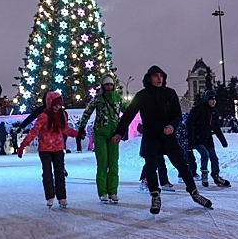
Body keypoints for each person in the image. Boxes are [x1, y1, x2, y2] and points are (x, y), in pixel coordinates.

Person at [112, 65, 212, 214]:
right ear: (149, 78)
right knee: (151, 166)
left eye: (161, 75)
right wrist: (119, 133)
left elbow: (177, 115)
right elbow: (129, 114)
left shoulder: (170, 94)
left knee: (182, 164)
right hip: (151, 136)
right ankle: (155, 196)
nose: (159, 78)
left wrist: (171, 126)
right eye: (155, 76)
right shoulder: (142, 96)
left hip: (168, 136)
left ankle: (194, 193)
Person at [17, 92, 77, 208]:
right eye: (55, 105)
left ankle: (62, 197)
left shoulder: (61, 115)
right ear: (49, 104)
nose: (57, 107)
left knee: (59, 172)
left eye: (59, 105)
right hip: (45, 149)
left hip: (58, 148)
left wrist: (77, 134)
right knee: (47, 173)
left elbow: (65, 129)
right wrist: (23, 145)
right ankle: (50, 196)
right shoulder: (43, 116)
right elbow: (33, 132)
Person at [78, 74, 124, 203]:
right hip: (100, 134)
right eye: (106, 84)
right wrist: (82, 126)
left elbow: (128, 110)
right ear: (103, 86)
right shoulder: (98, 99)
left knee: (114, 164)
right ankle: (103, 191)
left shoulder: (118, 99)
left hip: (114, 135)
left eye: (111, 84)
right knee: (102, 164)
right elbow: (87, 112)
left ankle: (113, 191)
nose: (109, 87)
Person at [187, 90, 230, 187]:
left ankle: (216, 176)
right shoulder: (198, 109)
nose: (213, 101)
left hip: (208, 139)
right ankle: (204, 174)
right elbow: (190, 124)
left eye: (215, 99)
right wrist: (191, 139)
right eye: (211, 99)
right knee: (204, 154)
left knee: (214, 158)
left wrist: (223, 141)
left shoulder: (214, 112)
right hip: (198, 138)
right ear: (207, 99)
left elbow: (216, 128)